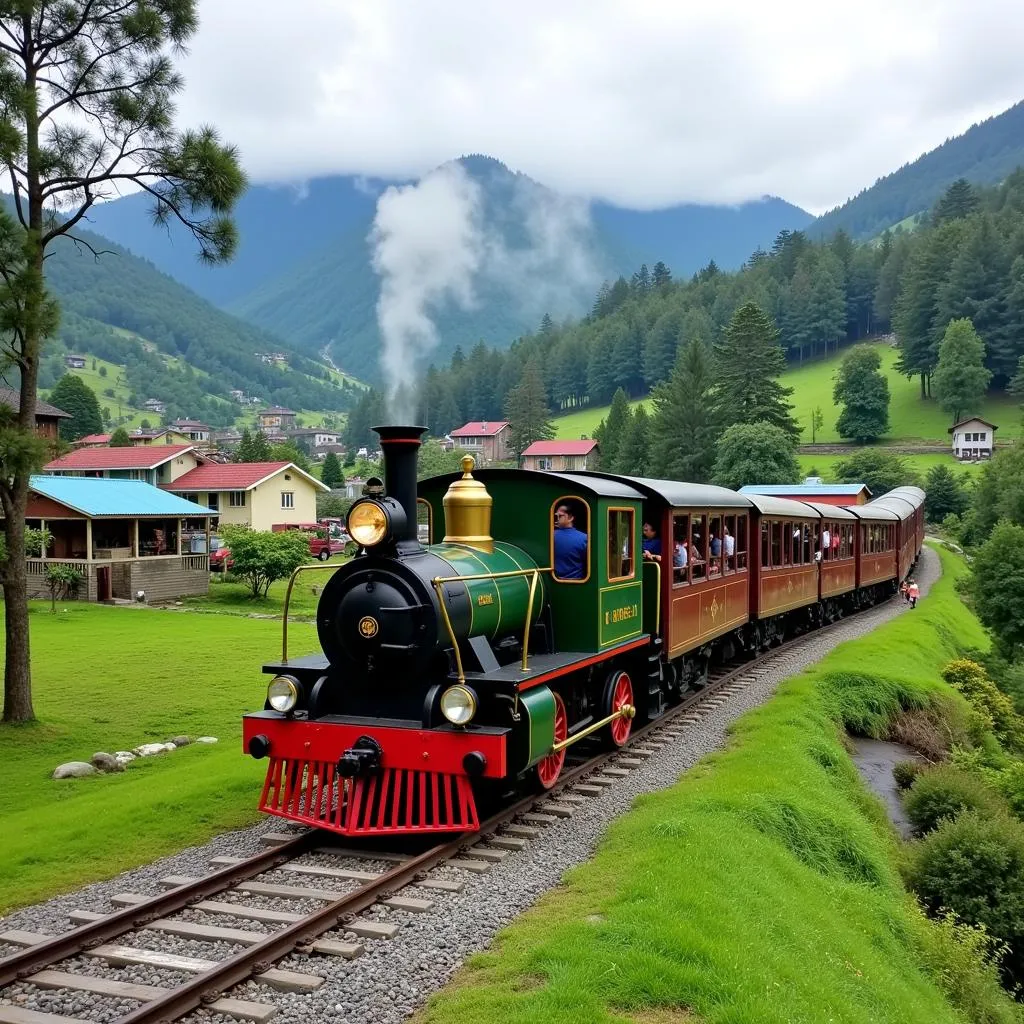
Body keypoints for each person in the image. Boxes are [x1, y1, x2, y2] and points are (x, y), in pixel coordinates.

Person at [553, 503, 587, 579]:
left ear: (570, 518)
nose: (557, 518)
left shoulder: (585, 538)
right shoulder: (550, 535)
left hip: (577, 583)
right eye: (555, 516)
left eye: (560, 516)